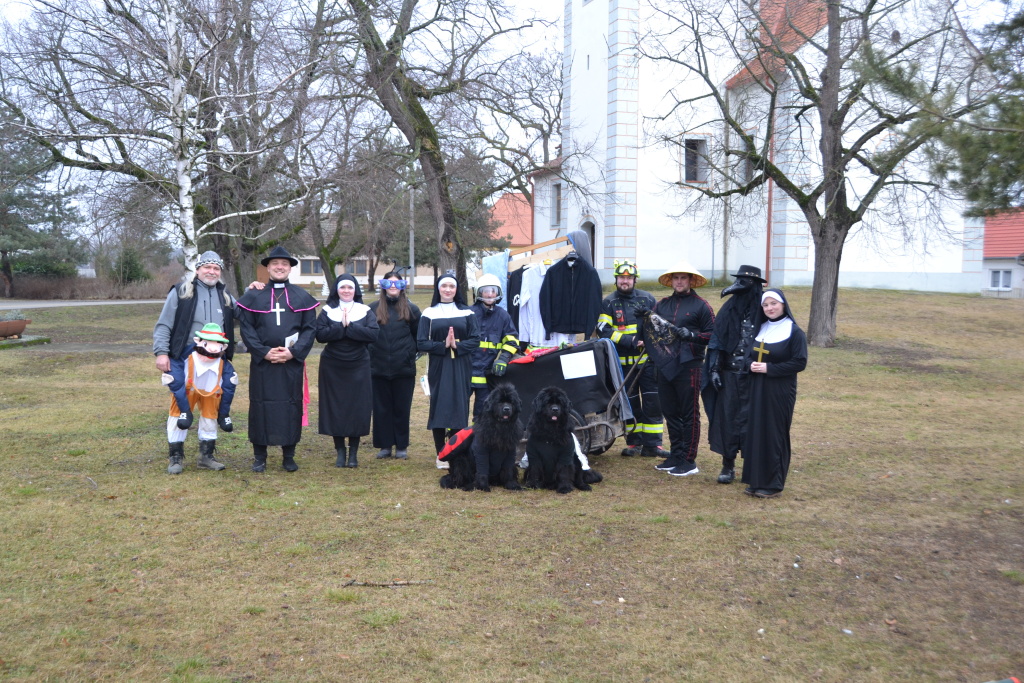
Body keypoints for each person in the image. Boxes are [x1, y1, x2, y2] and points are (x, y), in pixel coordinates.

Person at [153, 251, 239, 473]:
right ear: (198, 269)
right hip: (185, 358)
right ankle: (175, 457)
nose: (212, 272)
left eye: (216, 268)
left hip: (216, 361)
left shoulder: (225, 296)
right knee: (180, 407)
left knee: (211, 405)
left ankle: (206, 455)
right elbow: (164, 324)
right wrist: (161, 352)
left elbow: (246, 313)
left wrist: (256, 291)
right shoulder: (181, 292)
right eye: (207, 267)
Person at [235, 246, 319, 472]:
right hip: (263, 364)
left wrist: (294, 352)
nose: (279, 267)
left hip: (291, 364)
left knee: (291, 406)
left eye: (284, 264)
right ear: (268, 268)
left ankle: (288, 455)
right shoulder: (254, 295)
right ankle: (259, 456)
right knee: (260, 406)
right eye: (275, 264)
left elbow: (310, 329)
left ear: (290, 268)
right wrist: (263, 351)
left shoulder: (302, 296)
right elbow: (247, 328)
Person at [646, 261, 715, 477]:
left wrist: (693, 336)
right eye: (675, 278)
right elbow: (652, 330)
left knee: (689, 413)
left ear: (691, 280)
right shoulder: (662, 305)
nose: (679, 282)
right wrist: (642, 317)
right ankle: (675, 455)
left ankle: (689, 459)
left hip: (690, 366)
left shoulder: (701, 306)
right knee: (670, 412)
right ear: (671, 281)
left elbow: (713, 335)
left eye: (683, 278)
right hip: (665, 366)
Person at [740, 289, 807, 498]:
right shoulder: (761, 328)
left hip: (779, 390)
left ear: (783, 304)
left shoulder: (794, 332)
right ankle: (756, 480)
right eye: (766, 305)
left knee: (774, 433)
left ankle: (772, 484)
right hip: (757, 388)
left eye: (773, 303)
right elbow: (747, 355)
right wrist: (750, 365)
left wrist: (769, 369)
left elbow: (799, 362)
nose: (769, 308)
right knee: (756, 431)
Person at [702, 265, 766, 484]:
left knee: (753, 420)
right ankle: (727, 465)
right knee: (727, 419)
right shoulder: (729, 309)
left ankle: (752, 466)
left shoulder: (765, 309)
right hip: (729, 374)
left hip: (755, 376)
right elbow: (717, 340)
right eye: (738, 280)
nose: (738, 286)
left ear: (754, 284)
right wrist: (714, 369)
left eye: (744, 282)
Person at [596, 260, 666, 458]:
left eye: (629, 278)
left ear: (635, 280)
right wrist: (631, 341)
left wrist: (649, 339)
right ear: (616, 279)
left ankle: (653, 445)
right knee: (630, 405)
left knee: (653, 403)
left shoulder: (647, 299)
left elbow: (660, 325)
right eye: (621, 277)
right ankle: (634, 442)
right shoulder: (609, 303)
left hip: (648, 363)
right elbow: (603, 330)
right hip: (623, 366)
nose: (625, 281)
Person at [417, 271, 480, 467]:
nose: (448, 289)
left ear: (456, 289)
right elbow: (421, 342)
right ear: (438, 289)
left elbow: (475, 340)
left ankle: (456, 452)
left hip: (461, 364)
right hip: (439, 365)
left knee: (459, 406)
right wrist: (443, 345)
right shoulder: (429, 313)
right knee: (440, 406)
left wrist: (456, 345)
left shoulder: (467, 313)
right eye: (444, 286)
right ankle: (441, 454)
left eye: (451, 286)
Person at [316, 274, 379, 468]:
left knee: (357, 407)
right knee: (335, 407)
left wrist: (349, 326)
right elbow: (320, 335)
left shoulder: (365, 311)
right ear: (337, 290)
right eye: (342, 287)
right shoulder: (327, 311)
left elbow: (373, 334)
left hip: (358, 364)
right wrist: (339, 327)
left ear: (355, 290)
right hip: (332, 365)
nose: (346, 291)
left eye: (350, 288)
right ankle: (340, 451)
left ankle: (353, 454)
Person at [163, 323, 237, 474]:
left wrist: (224, 414)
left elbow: (229, 386)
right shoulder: (185, 356)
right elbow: (175, 377)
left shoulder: (223, 364)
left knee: (210, 419)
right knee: (177, 418)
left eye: (218, 346)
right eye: (208, 344)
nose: (213, 350)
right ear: (198, 341)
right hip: (185, 390)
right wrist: (185, 410)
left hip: (212, 391)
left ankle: (206, 456)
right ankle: (175, 456)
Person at [367, 271, 421, 461]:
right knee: (381, 409)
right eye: (388, 283)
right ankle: (385, 445)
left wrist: (409, 355)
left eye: (396, 283)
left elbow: (418, 337)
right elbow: (366, 336)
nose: (392, 286)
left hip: (403, 369)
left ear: (402, 286)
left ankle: (401, 445)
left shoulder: (412, 310)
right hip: (378, 368)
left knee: (401, 408)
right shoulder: (372, 309)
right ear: (382, 285)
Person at [469, 273, 519, 421]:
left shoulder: (503, 316)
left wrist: (503, 358)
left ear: (498, 293)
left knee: (483, 412)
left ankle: (478, 434)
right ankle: (454, 434)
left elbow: (511, 340)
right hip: (465, 372)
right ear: (479, 293)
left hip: (487, 374)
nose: (490, 294)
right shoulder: (468, 313)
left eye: (493, 291)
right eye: (486, 291)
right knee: (458, 409)